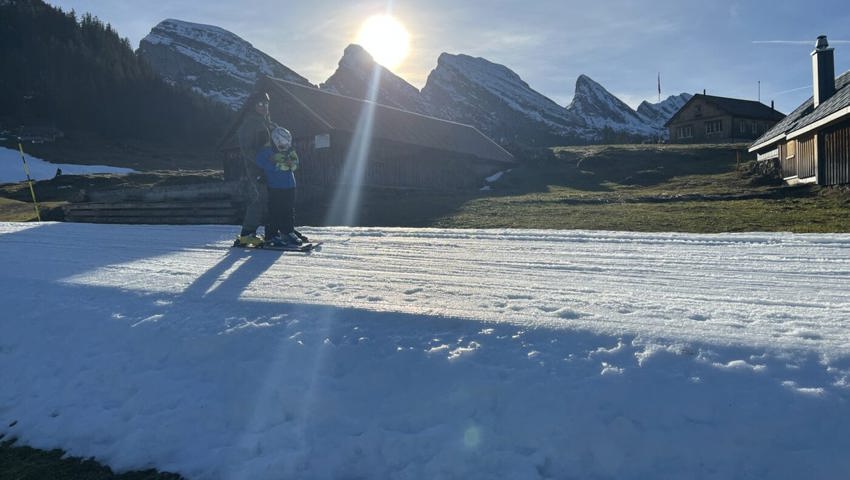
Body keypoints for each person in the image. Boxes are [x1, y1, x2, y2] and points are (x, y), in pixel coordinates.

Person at [255, 126, 309, 247]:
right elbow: (260, 161)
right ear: (275, 140)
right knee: (275, 211)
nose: (284, 147)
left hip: (289, 185)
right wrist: (276, 165)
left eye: (286, 144)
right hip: (275, 186)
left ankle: (288, 231)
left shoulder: (289, 150)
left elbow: (295, 163)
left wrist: (291, 164)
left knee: (288, 210)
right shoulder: (267, 151)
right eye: (281, 144)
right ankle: (271, 235)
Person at [235, 91, 274, 247]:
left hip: (273, 168)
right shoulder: (250, 124)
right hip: (257, 169)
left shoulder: (268, 123)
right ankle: (247, 233)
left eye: (266, 104)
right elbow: (247, 149)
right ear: (253, 106)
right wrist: (262, 164)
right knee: (262, 197)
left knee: (275, 197)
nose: (264, 107)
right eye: (260, 104)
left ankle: (277, 230)